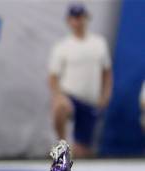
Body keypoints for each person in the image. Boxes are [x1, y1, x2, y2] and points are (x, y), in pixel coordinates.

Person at [48, 3, 112, 158]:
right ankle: (62, 146)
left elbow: (107, 72)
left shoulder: (98, 43)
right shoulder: (62, 46)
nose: (78, 21)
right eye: (75, 18)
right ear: (69, 21)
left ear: (86, 19)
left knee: (82, 153)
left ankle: (78, 149)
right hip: (70, 96)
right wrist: (58, 96)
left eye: (81, 17)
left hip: (90, 101)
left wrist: (105, 95)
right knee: (60, 107)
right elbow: (53, 77)